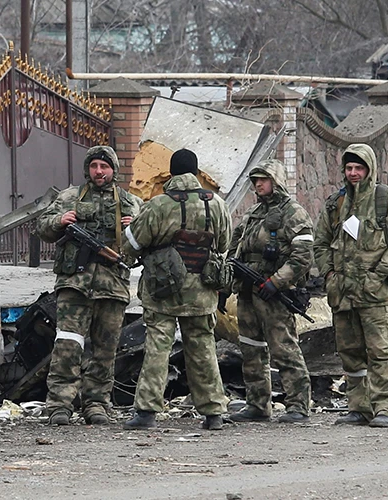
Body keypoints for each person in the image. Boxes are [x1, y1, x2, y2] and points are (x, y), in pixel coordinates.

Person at [120, 148, 231, 431]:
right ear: (195, 172)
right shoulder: (216, 204)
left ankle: (146, 413)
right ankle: (213, 413)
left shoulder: (158, 205)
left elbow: (132, 244)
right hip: (203, 290)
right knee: (204, 349)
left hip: (162, 289)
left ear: (172, 172)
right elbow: (224, 244)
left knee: (157, 348)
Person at [34, 145, 142, 426]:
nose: (98, 172)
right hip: (75, 286)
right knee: (68, 346)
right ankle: (60, 404)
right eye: (94, 166)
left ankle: (96, 404)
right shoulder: (69, 197)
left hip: (112, 287)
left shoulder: (131, 203)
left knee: (105, 350)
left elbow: (145, 245)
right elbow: (42, 228)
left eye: (104, 167)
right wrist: (60, 220)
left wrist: (136, 227)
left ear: (113, 170)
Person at [313, 143, 388, 428]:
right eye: (349, 168)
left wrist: (379, 273)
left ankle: (386, 408)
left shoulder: (386, 200)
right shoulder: (336, 204)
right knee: (350, 354)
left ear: (369, 169)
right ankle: (359, 406)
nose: (353, 173)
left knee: (379, 351)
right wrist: (329, 274)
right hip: (342, 294)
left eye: (359, 168)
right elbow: (320, 242)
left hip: (374, 293)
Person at [224, 159, 314, 424]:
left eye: (263, 179)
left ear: (276, 181)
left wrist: (277, 281)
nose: (258, 185)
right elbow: (234, 246)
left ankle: (298, 405)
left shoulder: (293, 213)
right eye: (255, 180)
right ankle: (258, 404)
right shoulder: (253, 213)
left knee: (283, 348)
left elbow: (303, 256)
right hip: (248, 290)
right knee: (251, 348)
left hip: (274, 293)